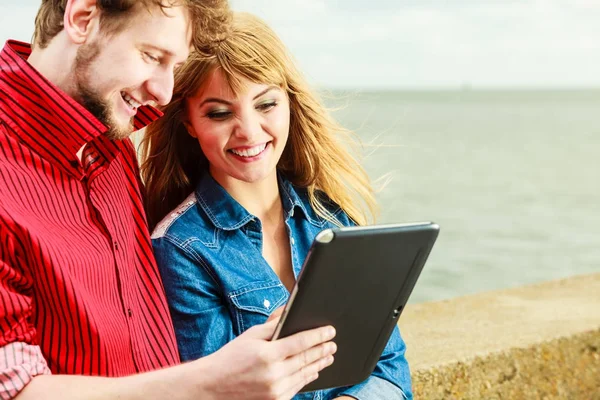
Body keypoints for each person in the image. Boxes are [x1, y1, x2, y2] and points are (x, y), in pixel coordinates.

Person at [0, 1, 338, 399]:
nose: (163, 93)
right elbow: (14, 389)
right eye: (151, 56)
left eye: (173, 67)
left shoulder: (112, 144)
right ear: (82, 18)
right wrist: (211, 382)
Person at [141, 12, 413, 400]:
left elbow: (390, 366)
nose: (249, 131)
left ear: (289, 102)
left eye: (265, 104)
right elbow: (214, 392)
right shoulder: (179, 248)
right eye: (219, 113)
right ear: (188, 121)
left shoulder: (330, 216)